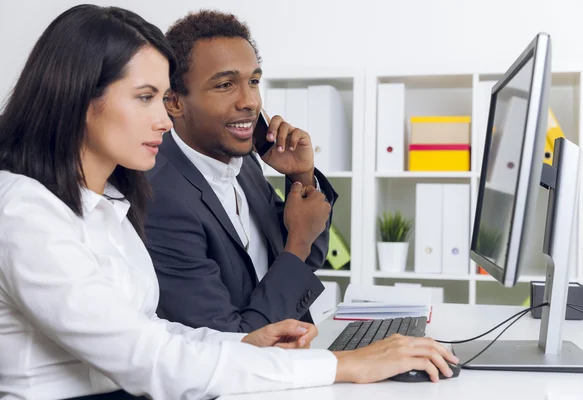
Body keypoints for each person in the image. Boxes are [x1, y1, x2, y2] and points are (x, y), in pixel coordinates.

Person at [0, 4, 458, 400]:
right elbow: (150, 359)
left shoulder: (111, 204)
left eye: (162, 98)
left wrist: (244, 346)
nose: (163, 119)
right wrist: (346, 365)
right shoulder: (26, 216)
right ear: (77, 97)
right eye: (146, 98)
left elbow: (152, 332)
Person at [143, 9, 337, 333]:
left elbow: (305, 258)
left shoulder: (242, 163)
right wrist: (299, 243)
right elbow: (231, 343)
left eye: (254, 81)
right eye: (225, 85)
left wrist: (301, 178)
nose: (249, 101)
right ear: (174, 102)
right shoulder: (161, 198)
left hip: (288, 361)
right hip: (238, 375)